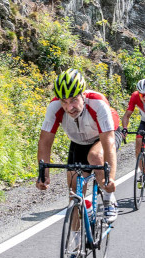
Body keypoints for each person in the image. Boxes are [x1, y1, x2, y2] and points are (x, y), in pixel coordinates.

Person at [36, 68, 121, 223]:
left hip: (105, 136)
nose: (69, 108)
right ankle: (74, 243)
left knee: (95, 156)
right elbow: (45, 141)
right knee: (74, 193)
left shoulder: (98, 103)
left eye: (74, 100)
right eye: (65, 102)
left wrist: (110, 179)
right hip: (79, 142)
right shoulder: (54, 107)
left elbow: (108, 142)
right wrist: (44, 174)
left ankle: (109, 200)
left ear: (83, 95)